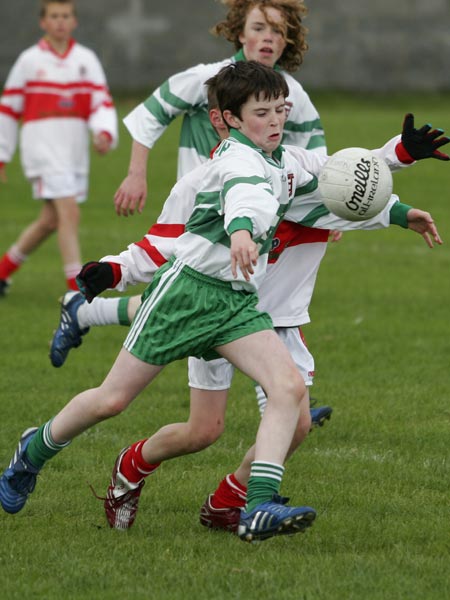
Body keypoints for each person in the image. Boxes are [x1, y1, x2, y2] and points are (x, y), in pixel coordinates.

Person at [0, 63, 444, 544]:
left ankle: (254, 508)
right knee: (111, 400)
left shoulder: (286, 160)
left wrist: (399, 161)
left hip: (236, 303)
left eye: (281, 110)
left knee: (289, 388)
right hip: (185, 295)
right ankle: (33, 450)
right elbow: (237, 200)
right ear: (227, 120)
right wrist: (116, 270)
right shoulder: (232, 163)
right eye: (261, 113)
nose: (275, 121)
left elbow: (337, 176)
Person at [49, 0, 333, 427]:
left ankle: (285, 400)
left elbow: (319, 158)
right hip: (196, 217)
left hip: (255, 218)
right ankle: (85, 312)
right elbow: (151, 114)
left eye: (279, 30)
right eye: (260, 27)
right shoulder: (206, 79)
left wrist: (331, 206)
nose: (269, 38)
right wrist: (135, 174)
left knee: (258, 301)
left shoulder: (289, 93)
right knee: (180, 299)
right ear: (239, 32)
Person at [0, 0, 118, 296]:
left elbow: (100, 101)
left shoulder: (86, 59)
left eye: (66, 15)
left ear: (74, 21)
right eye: (54, 16)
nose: (60, 21)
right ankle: (76, 293)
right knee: (69, 212)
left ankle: (2, 272)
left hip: (73, 151)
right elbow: (9, 109)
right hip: (41, 148)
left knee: (50, 220)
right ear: (43, 22)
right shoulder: (29, 61)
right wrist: (2, 154)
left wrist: (104, 131)